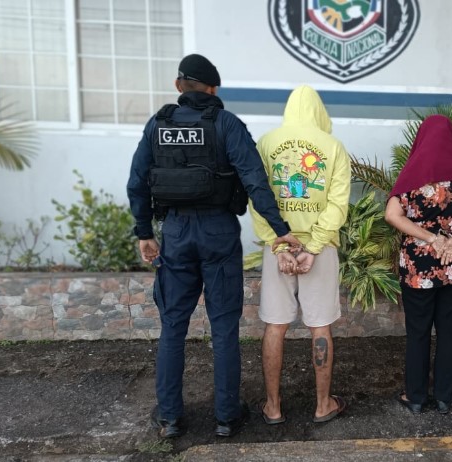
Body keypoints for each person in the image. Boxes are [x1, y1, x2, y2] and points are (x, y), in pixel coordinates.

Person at [126, 54, 301, 439]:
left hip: (175, 232)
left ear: (178, 86)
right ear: (214, 88)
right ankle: (226, 417)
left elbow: (137, 182)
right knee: (223, 326)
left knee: (173, 324)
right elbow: (255, 180)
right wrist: (280, 230)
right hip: (218, 231)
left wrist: (144, 233)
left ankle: (170, 418)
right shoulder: (226, 124)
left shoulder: (158, 124)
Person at [251, 85, 351, 425]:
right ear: (319, 112)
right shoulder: (333, 146)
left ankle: (273, 407)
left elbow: (257, 198)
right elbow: (337, 204)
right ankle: (323, 405)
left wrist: (279, 244)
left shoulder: (266, 143)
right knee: (320, 325)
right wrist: (313, 246)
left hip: (278, 247)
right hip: (319, 251)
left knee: (275, 325)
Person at [384, 115, 452, 414]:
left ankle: (416, 398)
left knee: (418, 332)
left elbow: (392, 215)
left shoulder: (412, 174)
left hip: (418, 268)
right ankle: (445, 397)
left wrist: (431, 238)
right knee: (449, 330)